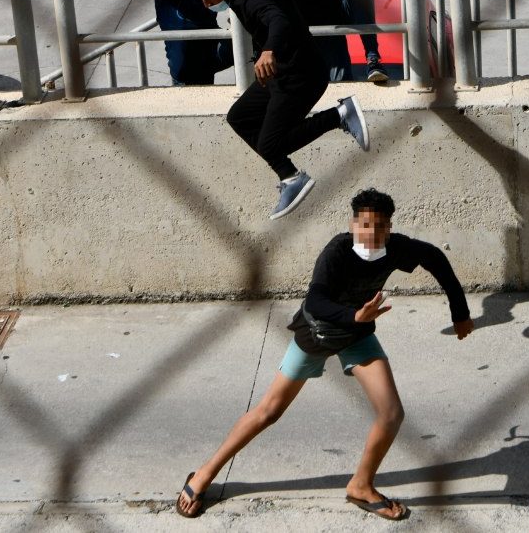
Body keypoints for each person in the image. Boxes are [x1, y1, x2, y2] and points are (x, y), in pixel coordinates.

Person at [175, 189, 474, 521]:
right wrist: (354, 316)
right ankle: (203, 473)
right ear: (353, 223)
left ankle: (361, 485)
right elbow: (315, 300)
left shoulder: (397, 248)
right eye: (364, 225)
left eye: (379, 226)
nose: (371, 234)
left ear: (389, 228)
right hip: (316, 335)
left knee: (391, 414)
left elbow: (436, 259)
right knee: (269, 412)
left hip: (357, 338)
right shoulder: (337, 251)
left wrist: (459, 313)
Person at [177, 0, 370, 219]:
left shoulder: (251, 0)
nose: (206, 4)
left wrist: (268, 51)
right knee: (239, 117)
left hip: (300, 76)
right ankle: (290, 176)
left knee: (271, 143)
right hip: (280, 73)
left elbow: (278, 21)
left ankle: (340, 116)